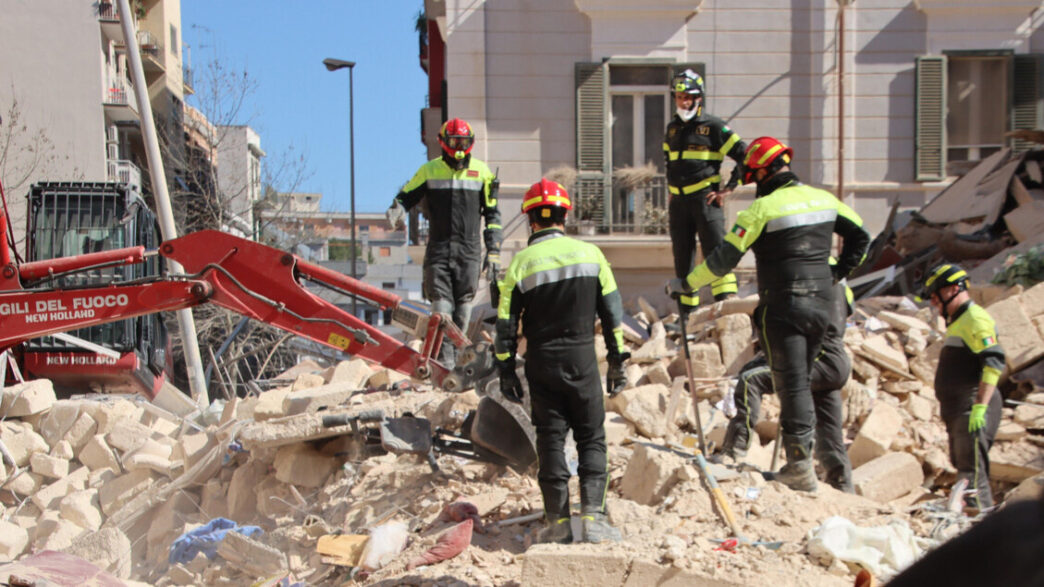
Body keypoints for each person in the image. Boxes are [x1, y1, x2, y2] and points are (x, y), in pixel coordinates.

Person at [667, 136, 870, 492]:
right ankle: (827, 476)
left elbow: (722, 261)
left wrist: (687, 285)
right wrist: (834, 274)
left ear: (760, 172)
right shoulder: (824, 199)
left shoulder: (761, 211)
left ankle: (799, 468)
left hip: (784, 306)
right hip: (823, 306)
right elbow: (862, 238)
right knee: (806, 382)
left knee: (793, 384)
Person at [494, 178, 629, 544]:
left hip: (542, 363)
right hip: (582, 359)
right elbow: (614, 316)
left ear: (531, 220)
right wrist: (617, 362)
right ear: (563, 216)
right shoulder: (592, 255)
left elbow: (505, 324)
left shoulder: (520, 264)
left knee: (550, 439)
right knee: (591, 437)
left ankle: (557, 524)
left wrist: (505, 367)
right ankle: (594, 520)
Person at [718, 280, 855, 492]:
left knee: (751, 379)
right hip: (836, 362)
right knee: (830, 433)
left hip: (817, 359)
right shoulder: (841, 285)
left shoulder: (807, 274)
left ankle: (733, 451)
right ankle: (843, 488)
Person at [386, 118, 501, 367]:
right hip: (439, 249)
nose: (459, 147)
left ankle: (459, 362)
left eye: (463, 141)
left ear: (470, 143)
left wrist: (494, 251)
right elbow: (407, 195)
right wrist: (397, 208)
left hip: (468, 251)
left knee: (463, 311)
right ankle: (442, 362)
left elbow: (492, 215)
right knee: (441, 308)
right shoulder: (429, 170)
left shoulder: (482, 172)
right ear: (443, 142)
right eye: (454, 141)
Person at [920, 263, 1004, 510]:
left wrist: (980, 407)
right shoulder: (959, 322)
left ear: (954, 290)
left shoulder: (976, 319)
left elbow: (994, 362)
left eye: (936, 295)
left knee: (972, 476)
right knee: (965, 468)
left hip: (972, 408)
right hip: (959, 409)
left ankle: (980, 528)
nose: (934, 302)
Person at [663, 69, 747, 311]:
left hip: (705, 200)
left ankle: (726, 308)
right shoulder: (672, 129)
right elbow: (670, 161)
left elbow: (744, 155)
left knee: (716, 253)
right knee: (682, 258)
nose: (683, 102)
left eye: (687, 97)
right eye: (679, 97)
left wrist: (728, 189)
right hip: (679, 203)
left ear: (698, 98)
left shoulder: (714, 127)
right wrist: (671, 189)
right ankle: (687, 316)